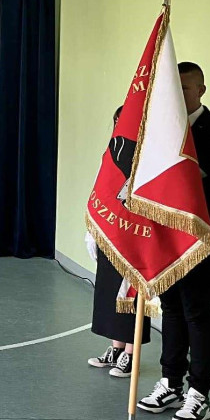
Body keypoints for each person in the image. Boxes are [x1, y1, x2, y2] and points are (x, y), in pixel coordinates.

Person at [137, 62, 210, 420]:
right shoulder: (158, 131)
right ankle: (170, 381)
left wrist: (183, 178)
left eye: (184, 88)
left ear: (200, 90)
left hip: (202, 231)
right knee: (171, 309)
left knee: (198, 311)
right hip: (166, 232)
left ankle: (199, 392)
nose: (178, 94)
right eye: (173, 88)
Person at [86, 106, 151, 378]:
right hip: (110, 230)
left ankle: (131, 354)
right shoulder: (113, 151)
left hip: (135, 233)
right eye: (117, 121)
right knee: (110, 290)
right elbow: (100, 188)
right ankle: (116, 348)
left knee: (131, 294)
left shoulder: (149, 153)